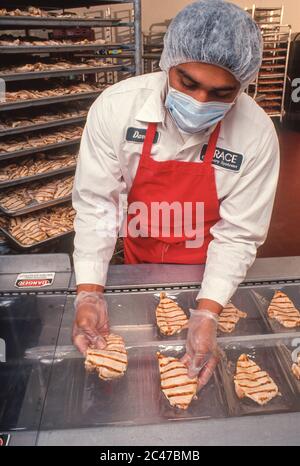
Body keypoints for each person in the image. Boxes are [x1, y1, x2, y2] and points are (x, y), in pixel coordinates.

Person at [72, 0, 280, 391]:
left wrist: (208, 312)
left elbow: (238, 233)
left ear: (242, 87)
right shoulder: (118, 109)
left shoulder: (256, 133)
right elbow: (99, 205)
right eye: (187, 83)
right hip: (139, 262)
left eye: (221, 93)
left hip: (210, 267)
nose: (201, 102)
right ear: (167, 63)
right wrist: (89, 291)